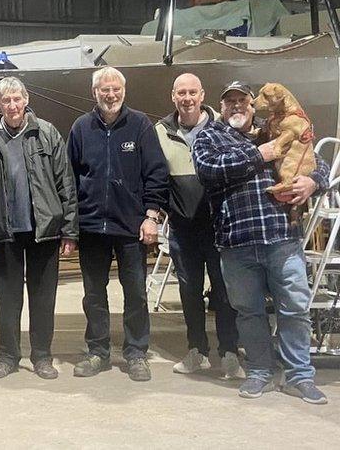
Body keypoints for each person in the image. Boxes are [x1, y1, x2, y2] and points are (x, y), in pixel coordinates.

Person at [193, 82, 330, 404]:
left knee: (294, 310)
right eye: (230, 102)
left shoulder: (275, 127)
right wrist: (259, 154)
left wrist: (313, 181)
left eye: (243, 101)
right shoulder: (210, 137)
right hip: (236, 240)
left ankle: (299, 376)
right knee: (248, 312)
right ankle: (260, 372)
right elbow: (209, 170)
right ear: (221, 107)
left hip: (282, 237)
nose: (237, 106)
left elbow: (316, 160)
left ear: (253, 106)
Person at [0, 77, 78, 380]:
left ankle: (42, 356)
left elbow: (65, 183)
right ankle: (8, 356)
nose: (13, 105)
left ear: (26, 99)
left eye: (17, 99)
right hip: (4, 233)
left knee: (43, 298)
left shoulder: (47, 133)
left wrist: (69, 230)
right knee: (8, 298)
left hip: (44, 229)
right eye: (6, 100)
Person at [68, 66, 168, 382]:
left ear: (123, 92)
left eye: (116, 90)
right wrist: (71, 225)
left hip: (131, 227)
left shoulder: (140, 125)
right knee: (94, 293)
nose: (110, 95)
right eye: (104, 90)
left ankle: (136, 353)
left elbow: (156, 173)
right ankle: (97, 351)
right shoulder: (81, 128)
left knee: (135, 293)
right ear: (94, 93)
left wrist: (151, 216)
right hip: (92, 227)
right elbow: (69, 179)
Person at [153, 74, 244, 379]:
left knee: (224, 291)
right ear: (173, 96)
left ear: (203, 95)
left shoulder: (224, 126)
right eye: (182, 93)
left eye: (193, 92)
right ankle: (197, 351)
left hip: (219, 226)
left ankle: (230, 353)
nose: (188, 98)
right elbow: (155, 176)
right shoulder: (161, 131)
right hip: (182, 228)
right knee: (189, 291)